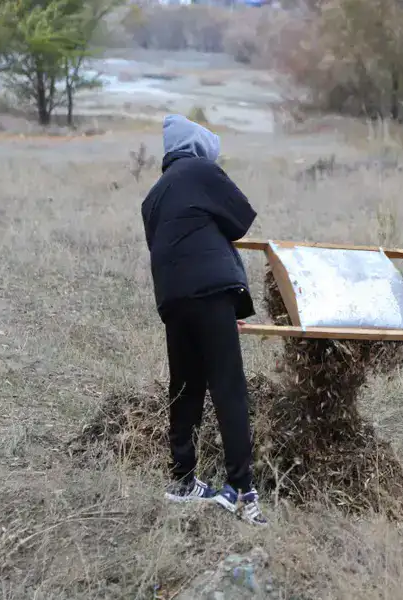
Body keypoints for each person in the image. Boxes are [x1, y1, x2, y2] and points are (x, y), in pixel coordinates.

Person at [140, 114, 267, 527]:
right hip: (210, 293)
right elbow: (241, 220)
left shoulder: (153, 196)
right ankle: (242, 491)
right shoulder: (201, 170)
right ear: (195, 148)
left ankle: (182, 480)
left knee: (186, 387)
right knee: (227, 386)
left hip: (172, 298)